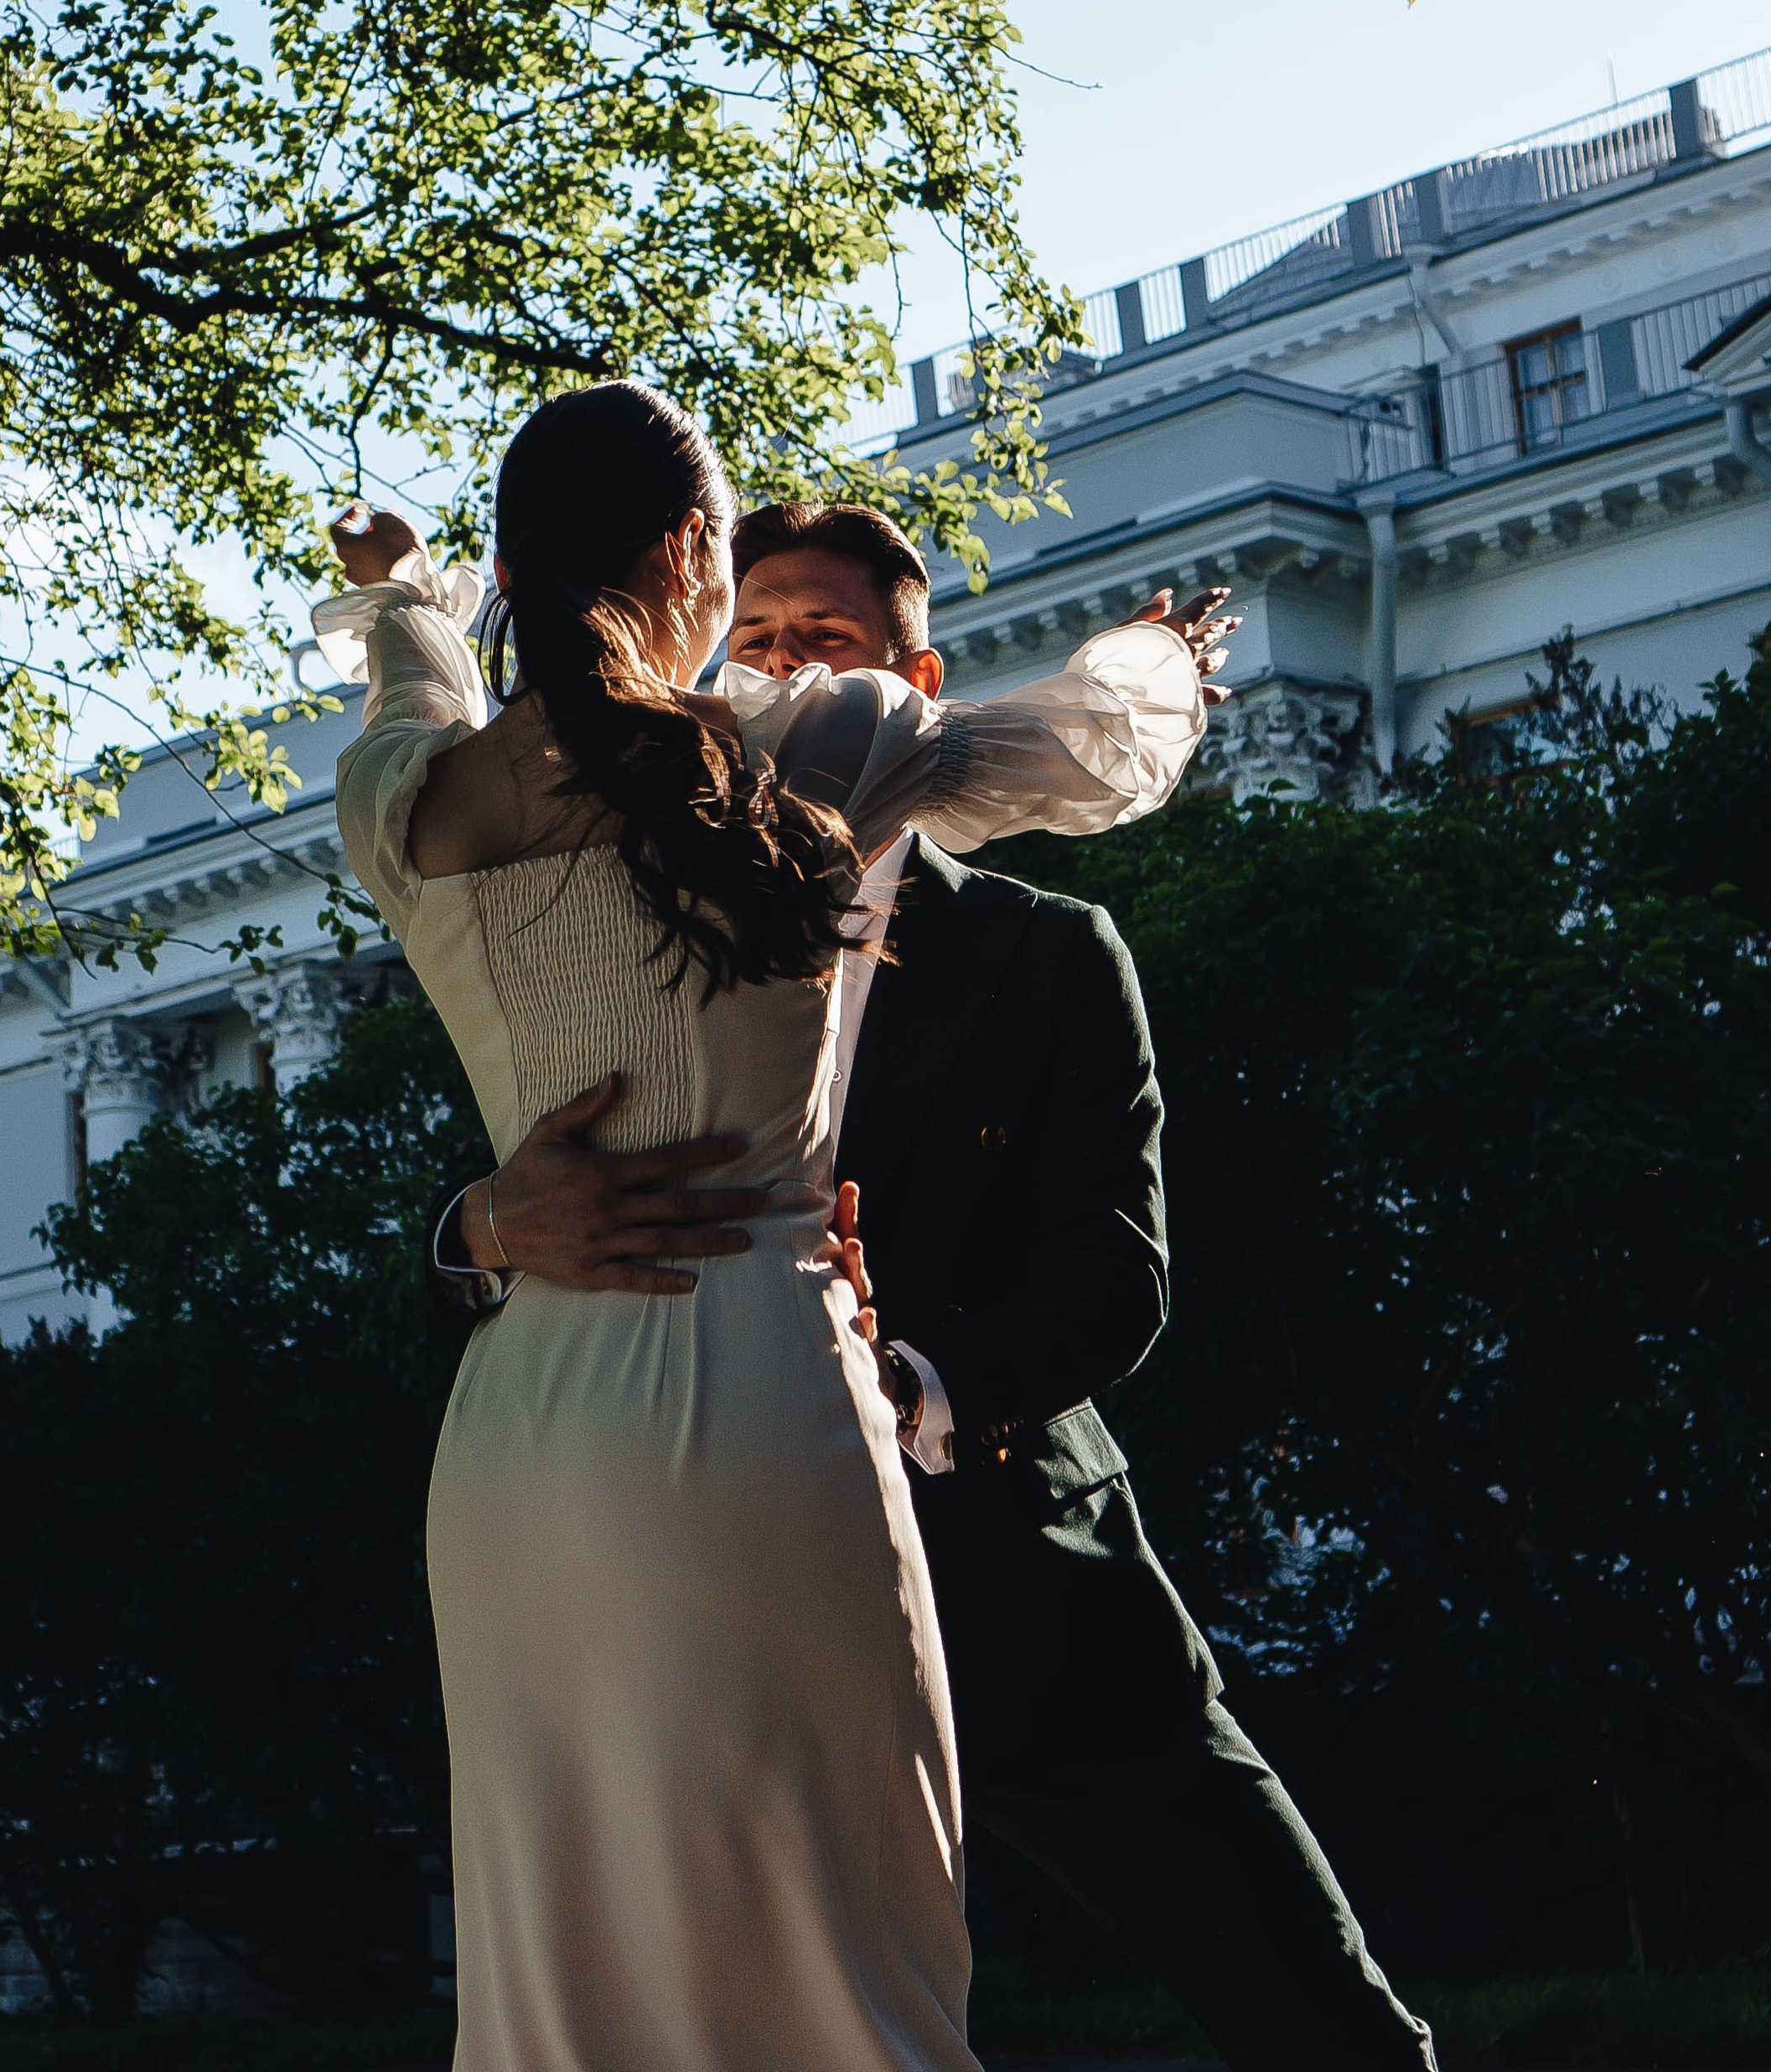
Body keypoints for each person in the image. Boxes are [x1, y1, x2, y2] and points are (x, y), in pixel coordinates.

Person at [434, 496, 1436, 2072]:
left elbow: (1121, 1276)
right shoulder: (636, 917)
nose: (776, 682)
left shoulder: (1049, 954)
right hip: (727, 1588)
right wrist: (485, 1226)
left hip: (1032, 1593)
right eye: (747, 645)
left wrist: (899, 1382)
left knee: (1325, 2027)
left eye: (819, 646)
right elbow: (517, 1179)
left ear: (915, 677)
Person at [316, 383, 1212, 2072]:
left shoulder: (401, 805)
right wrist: (1164, 663)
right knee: (835, 1964)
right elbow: (1089, 759)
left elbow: (410, 680)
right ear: (689, 552)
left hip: (520, 1444)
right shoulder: (811, 752)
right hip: (758, 1399)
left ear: (518, 564)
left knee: (564, 1994)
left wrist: (398, 584)